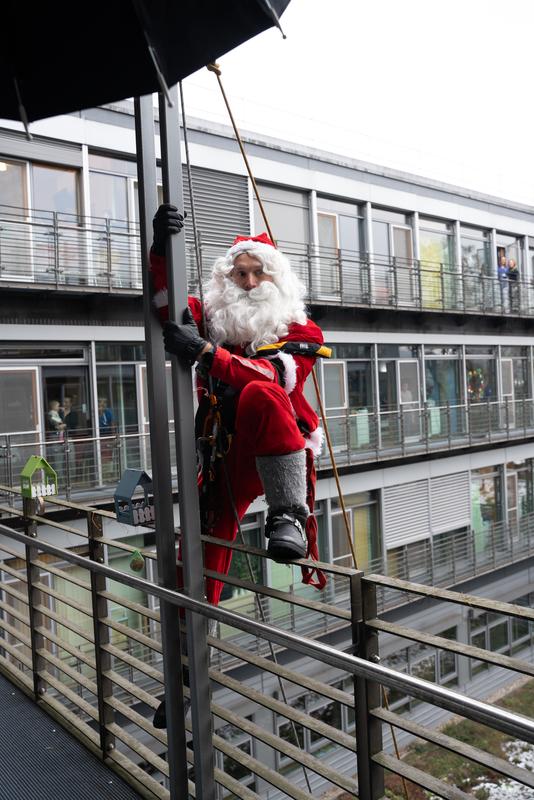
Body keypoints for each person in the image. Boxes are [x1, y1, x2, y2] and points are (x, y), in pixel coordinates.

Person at [150, 204, 327, 605]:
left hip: (276, 445)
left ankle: (287, 517)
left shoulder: (302, 329)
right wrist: (161, 248)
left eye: (257, 272)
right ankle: (190, 638)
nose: (248, 282)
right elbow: (166, 303)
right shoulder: (214, 320)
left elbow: (271, 376)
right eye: (239, 273)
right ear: (226, 280)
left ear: (276, 278)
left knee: (260, 393)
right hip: (221, 452)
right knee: (198, 554)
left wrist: (206, 354)